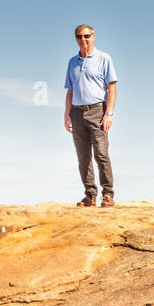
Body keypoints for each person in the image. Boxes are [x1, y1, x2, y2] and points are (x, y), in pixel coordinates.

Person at [63, 24, 117, 206]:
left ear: (93, 36)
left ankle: (108, 195)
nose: (83, 40)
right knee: (83, 157)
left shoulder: (104, 58)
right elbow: (70, 91)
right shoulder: (72, 62)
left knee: (101, 154)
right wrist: (67, 114)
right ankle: (90, 195)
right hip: (77, 113)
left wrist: (109, 113)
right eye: (79, 36)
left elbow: (112, 88)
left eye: (86, 36)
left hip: (98, 111)